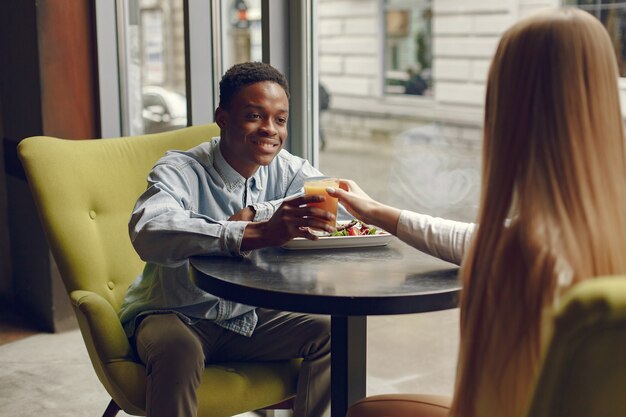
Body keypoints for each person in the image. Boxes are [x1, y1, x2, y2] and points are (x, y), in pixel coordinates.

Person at [327, 8, 626, 417]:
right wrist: (377, 212)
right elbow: (476, 240)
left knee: (364, 410)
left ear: (509, 108)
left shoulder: (526, 255)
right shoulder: (594, 228)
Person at [118, 62, 339, 417]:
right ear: (222, 117)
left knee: (334, 332)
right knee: (178, 353)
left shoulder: (286, 168)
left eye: (280, 119)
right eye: (254, 115)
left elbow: (336, 201)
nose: (270, 129)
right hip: (174, 312)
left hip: (247, 317)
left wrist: (257, 213)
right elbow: (150, 230)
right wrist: (248, 234)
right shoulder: (180, 170)